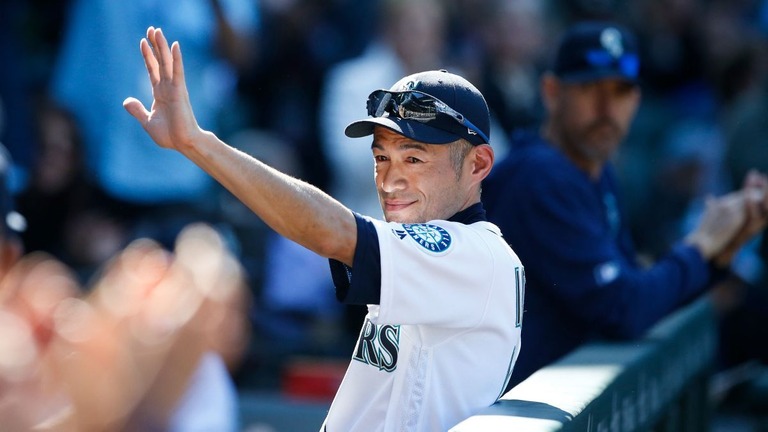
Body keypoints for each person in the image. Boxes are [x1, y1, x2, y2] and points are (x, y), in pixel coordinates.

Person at [124, 27, 524, 431]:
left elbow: (331, 233)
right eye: (381, 158)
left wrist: (196, 143)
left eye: (414, 159)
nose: (389, 181)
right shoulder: (443, 252)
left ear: (478, 165)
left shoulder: (472, 253)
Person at [483, 21, 768, 392]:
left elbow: (635, 289)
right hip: (501, 410)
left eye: (621, 91)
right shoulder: (540, 176)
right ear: (552, 92)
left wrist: (722, 249)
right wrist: (701, 246)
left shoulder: (594, 171)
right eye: (590, 89)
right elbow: (624, 310)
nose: (607, 108)